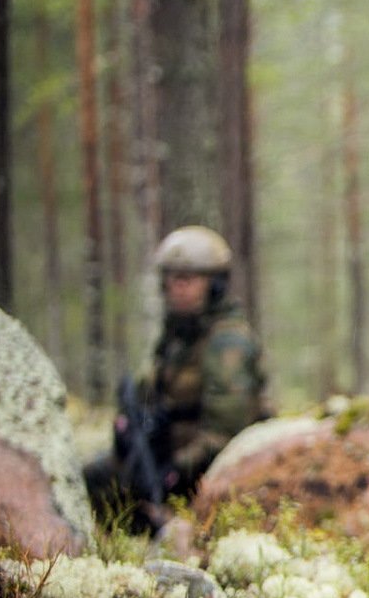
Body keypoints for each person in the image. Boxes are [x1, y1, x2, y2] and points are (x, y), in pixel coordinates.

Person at [84, 225, 268, 541]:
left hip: (210, 471)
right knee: (96, 477)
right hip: (167, 461)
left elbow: (226, 434)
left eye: (189, 279)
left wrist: (173, 469)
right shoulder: (175, 339)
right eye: (172, 279)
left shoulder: (227, 343)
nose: (179, 288)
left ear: (215, 285)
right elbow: (151, 396)